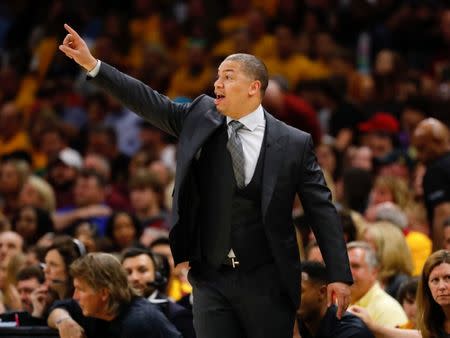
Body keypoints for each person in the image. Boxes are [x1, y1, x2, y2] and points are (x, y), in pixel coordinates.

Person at [59, 24, 352, 338]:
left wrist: (338, 273)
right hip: (210, 278)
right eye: (217, 76)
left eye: (228, 76)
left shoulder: (294, 142)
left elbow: (321, 209)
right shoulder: (200, 116)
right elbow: (148, 100)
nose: (217, 83)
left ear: (254, 87)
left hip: (267, 280)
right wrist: (94, 66)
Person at [47, 252, 181, 338]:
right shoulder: (98, 308)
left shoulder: (139, 322)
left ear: (104, 293)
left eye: (80, 289)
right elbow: (58, 307)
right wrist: (64, 321)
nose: (75, 296)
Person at [122, 248, 195, 338]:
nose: (134, 278)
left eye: (142, 270)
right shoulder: (116, 311)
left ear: (157, 275)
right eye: (128, 272)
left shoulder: (176, 314)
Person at [295, 260, 374, 338]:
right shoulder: (297, 324)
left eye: (298, 291)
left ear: (322, 292)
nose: (291, 298)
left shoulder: (352, 332)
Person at [347, 241, 408, 327]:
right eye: (344, 266)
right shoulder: (336, 301)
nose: (347, 272)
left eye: (355, 266)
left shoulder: (388, 309)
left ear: (374, 273)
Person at [412, 118, 450, 250]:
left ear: (437, 142)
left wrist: (437, 258)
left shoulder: (436, 170)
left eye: (422, 148)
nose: (418, 155)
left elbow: (443, 214)